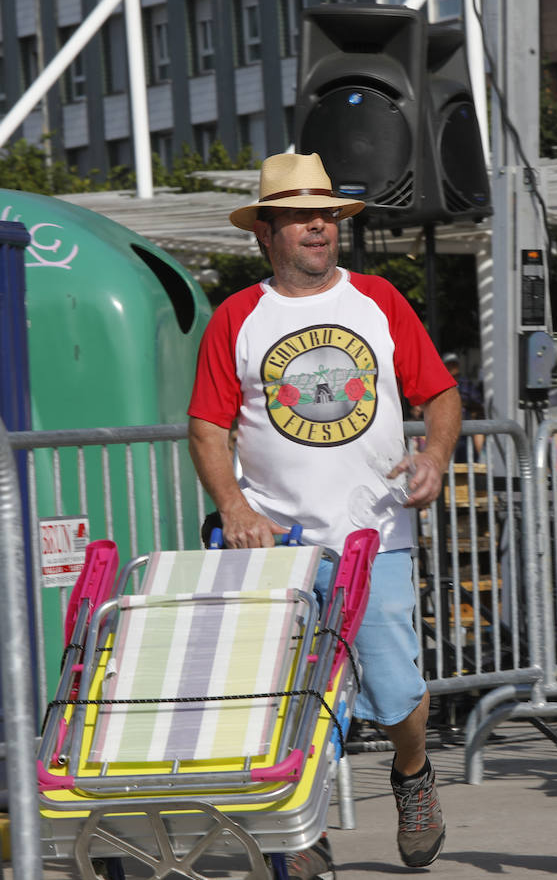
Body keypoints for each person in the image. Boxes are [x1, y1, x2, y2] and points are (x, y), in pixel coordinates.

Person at [186, 152, 461, 870]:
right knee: (288, 701)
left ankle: (412, 775)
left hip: (378, 535)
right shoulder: (236, 318)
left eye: (328, 215)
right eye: (302, 216)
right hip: (276, 545)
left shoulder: (379, 301)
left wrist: (433, 455)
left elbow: (441, 394)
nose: (319, 226)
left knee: (399, 693)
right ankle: (300, 833)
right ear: (266, 232)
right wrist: (233, 505)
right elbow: (208, 427)